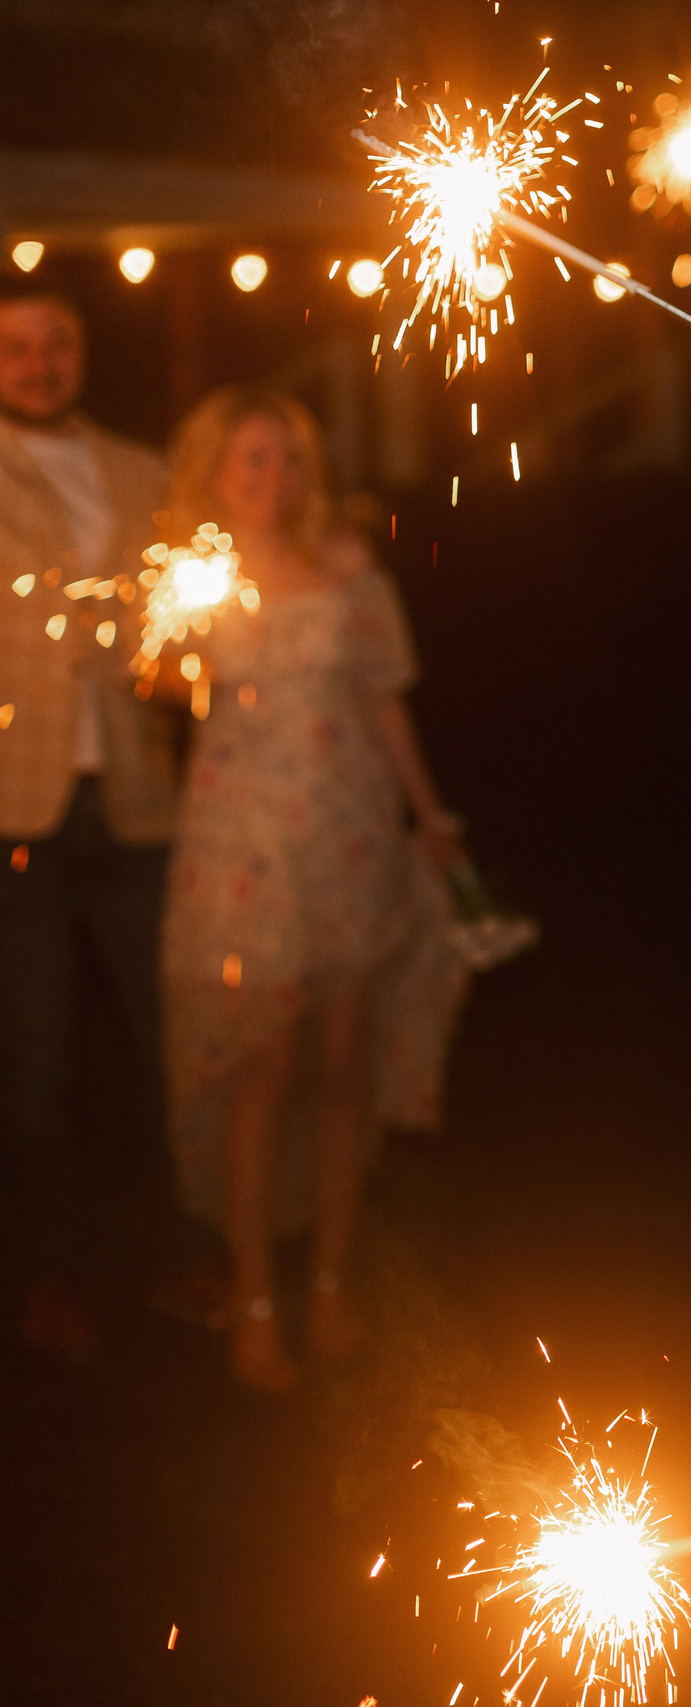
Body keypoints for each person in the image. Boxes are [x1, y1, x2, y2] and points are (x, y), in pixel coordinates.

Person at [157, 385, 471, 1391]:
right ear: (214, 471)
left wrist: (430, 816)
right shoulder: (192, 572)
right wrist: (166, 643)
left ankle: (329, 1280)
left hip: (346, 830)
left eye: (288, 458)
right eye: (252, 458)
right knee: (264, 1059)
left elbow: (385, 699)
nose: (273, 477)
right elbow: (157, 685)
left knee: (340, 1061)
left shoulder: (345, 564)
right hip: (243, 843)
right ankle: (254, 1296)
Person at [0, 275, 186, 1359]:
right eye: (16, 347)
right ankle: (48, 1272)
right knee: (35, 1051)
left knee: (177, 1031)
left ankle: (191, 1245)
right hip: (15, 805)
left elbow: (177, 621)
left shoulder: (143, 470)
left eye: (55, 343)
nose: (39, 365)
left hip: (132, 799)